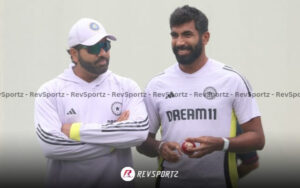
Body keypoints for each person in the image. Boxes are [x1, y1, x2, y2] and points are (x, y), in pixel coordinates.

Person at [137, 5, 265, 188]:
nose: (179, 42)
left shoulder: (232, 80)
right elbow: (142, 141)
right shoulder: (157, 84)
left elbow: (258, 139)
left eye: (187, 34)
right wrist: (159, 147)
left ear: (205, 37)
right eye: (175, 35)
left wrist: (220, 144)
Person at [34, 18, 149, 188]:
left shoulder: (126, 87)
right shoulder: (50, 91)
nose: (102, 53)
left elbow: (139, 132)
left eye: (106, 45)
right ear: (74, 54)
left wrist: (75, 130)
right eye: (94, 48)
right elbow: (52, 146)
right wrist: (114, 142)